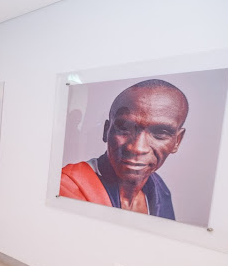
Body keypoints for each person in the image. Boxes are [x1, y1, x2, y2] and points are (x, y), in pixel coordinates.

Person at [60, 79, 188, 219]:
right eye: (124, 128)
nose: (138, 148)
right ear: (106, 131)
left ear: (177, 141)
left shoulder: (159, 190)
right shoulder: (67, 186)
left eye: (160, 133)